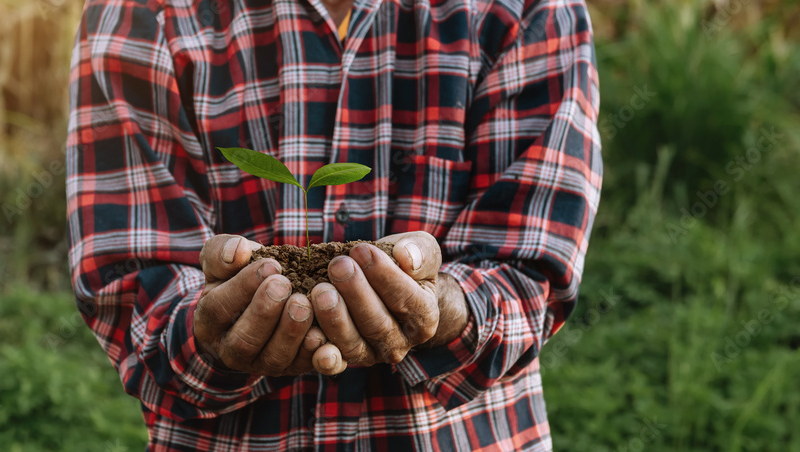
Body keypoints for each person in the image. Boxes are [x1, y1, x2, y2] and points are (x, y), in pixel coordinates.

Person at [65, 0, 601, 448]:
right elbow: (133, 285)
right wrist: (206, 333)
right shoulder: (142, 13)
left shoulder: (521, 9)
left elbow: (529, 267)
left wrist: (446, 306)